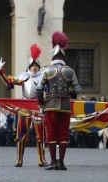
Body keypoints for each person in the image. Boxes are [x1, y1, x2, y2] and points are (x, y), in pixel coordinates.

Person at [0, 44, 48, 167]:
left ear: (39, 66)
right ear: (29, 66)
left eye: (36, 65)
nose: (34, 68)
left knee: (40, 135)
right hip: (24, 107)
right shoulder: (24, 76)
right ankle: (19, 159)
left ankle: (42, 159)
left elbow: (49, 89)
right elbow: (9, 82)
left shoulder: (43, 77)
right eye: (32, 65)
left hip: (37, 107)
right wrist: (1, 72)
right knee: (21, 134)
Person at [36, 31, 82, 171]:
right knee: (63, 134)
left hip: (50, 105)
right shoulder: (69, 71)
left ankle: (52, 162)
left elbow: (39, 89)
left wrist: (41, 104)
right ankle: (61, 162)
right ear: (63, 56)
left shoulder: (47, 70)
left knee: (51, 134)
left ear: (52, 56)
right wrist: (70, 95)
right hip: (65, 106)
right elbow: (78, 90)